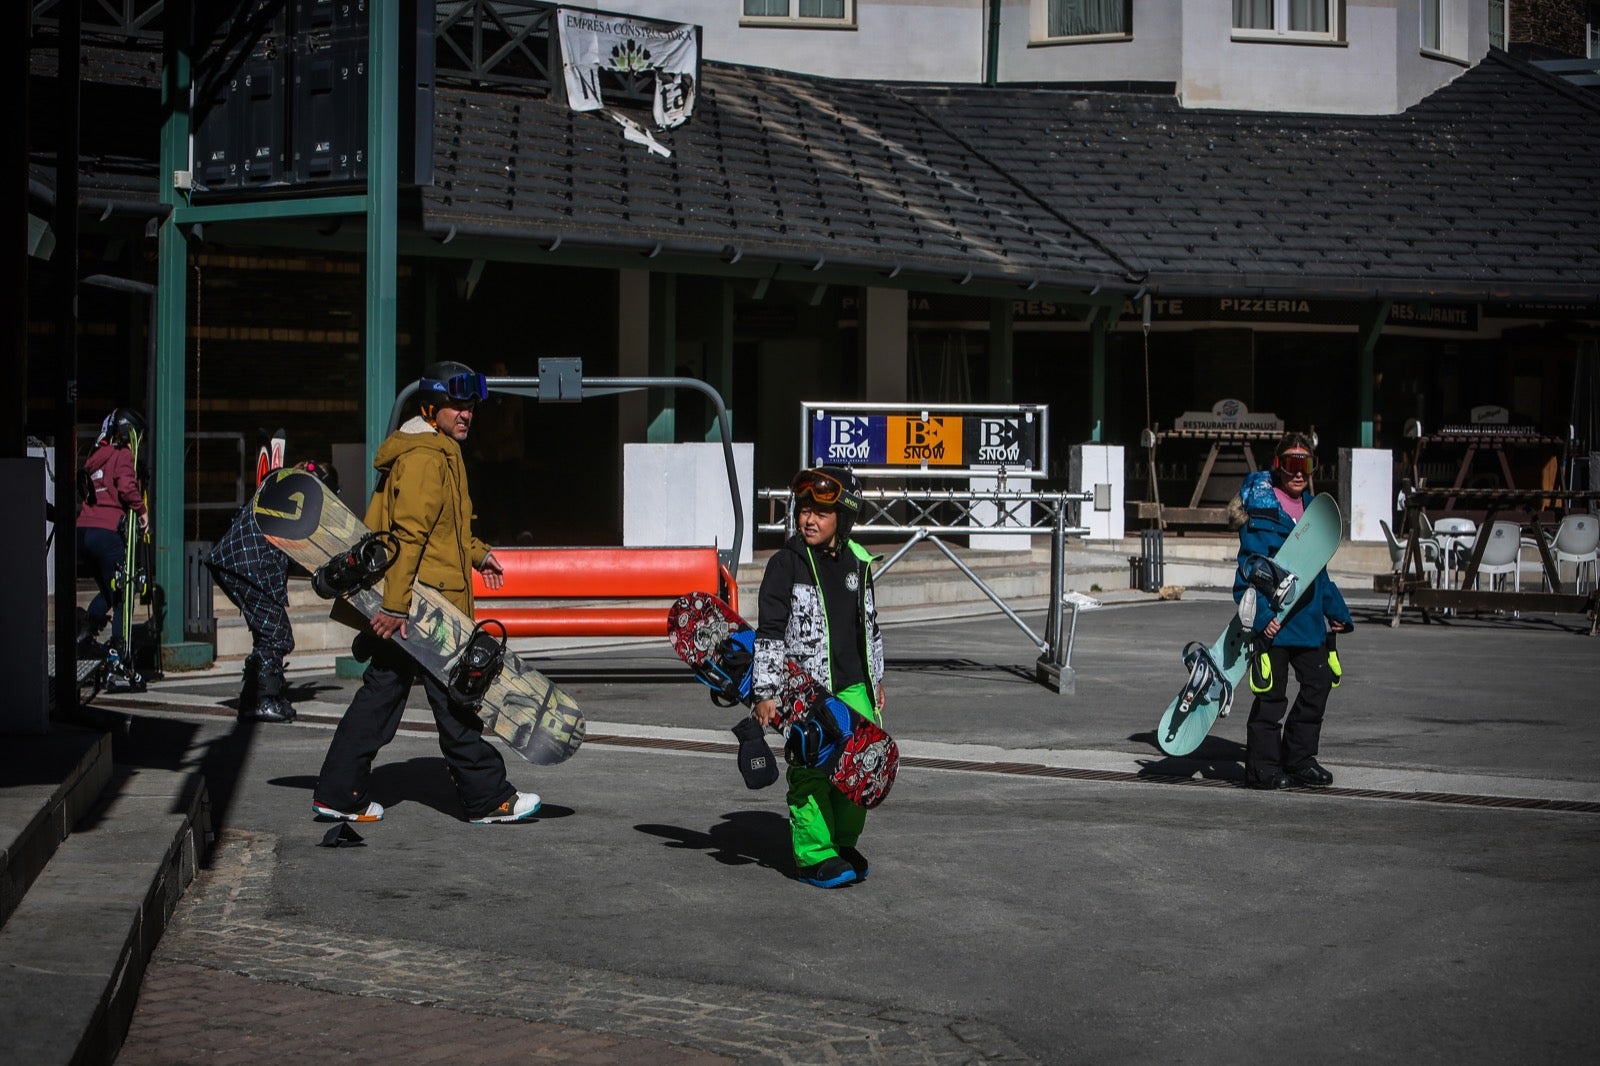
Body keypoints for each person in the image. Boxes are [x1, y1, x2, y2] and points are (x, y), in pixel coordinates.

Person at [310, 361, 540, 824]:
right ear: (429, 408)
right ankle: (486, 796)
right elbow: (407, 537)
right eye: (456, 405)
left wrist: (477, 553)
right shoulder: (423, 459)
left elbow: (444, 528)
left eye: (470, 406)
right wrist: (395, 607)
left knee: (381, 697)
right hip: (425, 609)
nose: (466, 414)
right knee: (456, 702)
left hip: (422, 601)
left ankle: (339, 791)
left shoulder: (438, 451)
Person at [752, 465, 885, 888]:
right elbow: (769, 632)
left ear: (843, 518)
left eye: (821, 513)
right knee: (812, 771)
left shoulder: (859, 563)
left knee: (861, 766)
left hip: (854, 687)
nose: (809, 519)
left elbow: (870, 626)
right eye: (804, 509)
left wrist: (876, 677)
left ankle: (842, 843)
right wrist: (766, 690)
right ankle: (814, 854)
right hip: (805, 690)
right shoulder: (785, 564)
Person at [1230, 433, 1353, 790]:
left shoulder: (1315, 512)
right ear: (1277, 465)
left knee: (1318, 685)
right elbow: (1249, 572)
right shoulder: (1263, 512)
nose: (1299, 473)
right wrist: (1264, 619)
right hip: (1276, 625)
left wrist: (1337, 611)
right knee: (1271, 698)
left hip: (1311, 620)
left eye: (1307, 465)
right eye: (1292, 465)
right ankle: (1261, 768)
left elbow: (1319, 572)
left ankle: (1299, 759)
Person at [207, 460, 339, 723]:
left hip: (231, 561)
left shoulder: (280, 481)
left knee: (267, 632)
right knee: (276, 635)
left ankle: (252, 697)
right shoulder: (299, 495)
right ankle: (264, 700)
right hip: (252, 567)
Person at [77, 408, 149, 691]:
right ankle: (118, 664)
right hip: (108, 534)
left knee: (109, 591)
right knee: (122, 595)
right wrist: (142, 512)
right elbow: (126, 486)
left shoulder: (95, 457)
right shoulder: (122, 455)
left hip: (83, 532)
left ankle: (83, 637)